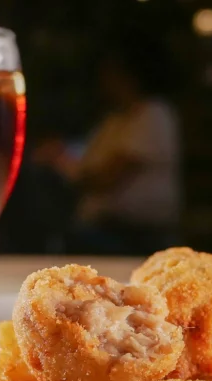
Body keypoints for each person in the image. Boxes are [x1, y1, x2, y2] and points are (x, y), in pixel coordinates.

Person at [39, 32, 180, 255]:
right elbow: (86, 160)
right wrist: (60, 156)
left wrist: (65, 165)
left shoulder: (153, 114)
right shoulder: (114, 119)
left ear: (130, 75)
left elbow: (107, 179)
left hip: (134, 236)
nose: (104, 81)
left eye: (110, 73)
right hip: (101, 227)